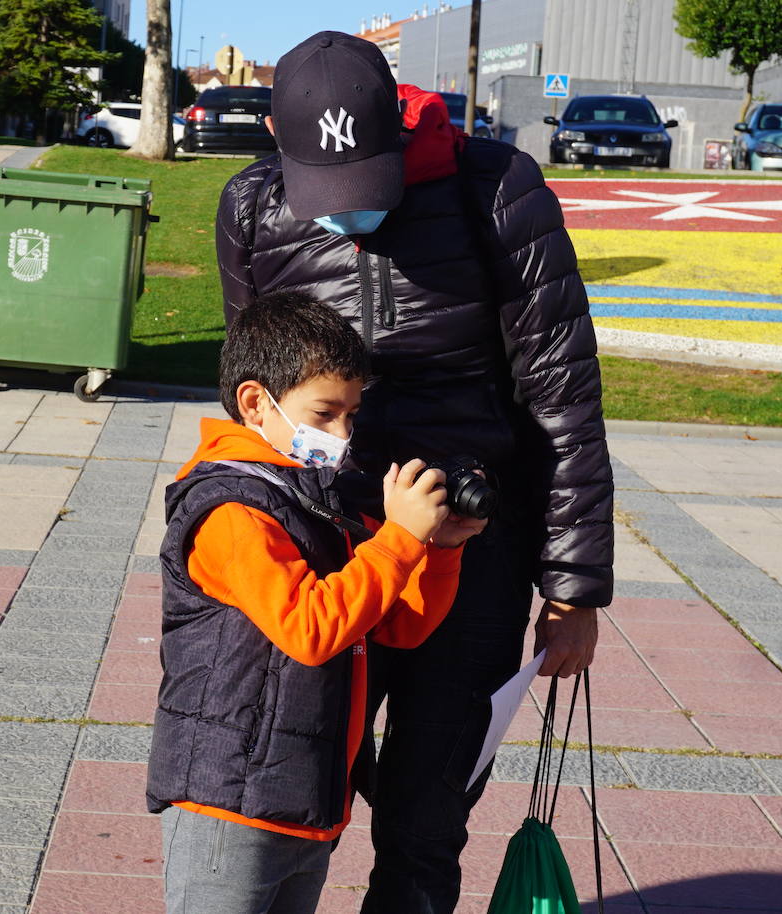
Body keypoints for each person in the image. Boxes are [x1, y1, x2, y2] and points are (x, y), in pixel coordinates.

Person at [214, 31, 614, 913]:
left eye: (368, 186)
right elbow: (255, 391)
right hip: (328, 555)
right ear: (277, 143)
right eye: (326, 192)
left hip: (469, 558)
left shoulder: (496, 190)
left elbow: (563, 403)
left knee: (427, 823)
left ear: (397, 130)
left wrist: (573, 590)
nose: (349, 212)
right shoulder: (250, 207)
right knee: (293, 802)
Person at [147, 291, 488, 914]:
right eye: (325, 413)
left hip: (303, 794)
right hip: (230, 804)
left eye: (351, 414)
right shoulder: (231, 511)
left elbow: (398, 629)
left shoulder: (310, 498)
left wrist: (438, 550)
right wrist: (398, 538)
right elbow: (311, 629)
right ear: (256, 402)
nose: (342, 434)